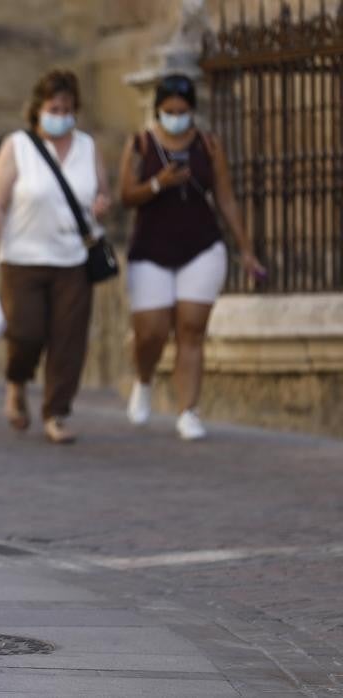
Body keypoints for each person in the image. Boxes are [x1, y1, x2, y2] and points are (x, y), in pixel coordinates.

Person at [118, 74, 264, 440]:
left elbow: (226, 198)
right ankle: (145, 378)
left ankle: (189, 410)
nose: (177, 117)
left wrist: (245, 249)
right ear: (158, 110)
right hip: (151, 248)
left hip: (201, 246)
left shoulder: (209, 145)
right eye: (169, 111)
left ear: (193, 111)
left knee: (191, 328)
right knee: (150, 331)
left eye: (183, 111)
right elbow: (126, 195)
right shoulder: (139, 144)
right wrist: (158, 184)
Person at [0, 69, 112, 444]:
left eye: (67, 108)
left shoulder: (87, 147)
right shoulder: (17, 146)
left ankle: (57, 412)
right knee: (26, 332)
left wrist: (102, 207)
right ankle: (17, 381)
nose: (61, 114)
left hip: (74, 259)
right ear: (37, 109)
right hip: (23, 258)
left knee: (69, 340)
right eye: (54, 107)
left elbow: (101, 195)